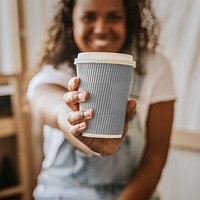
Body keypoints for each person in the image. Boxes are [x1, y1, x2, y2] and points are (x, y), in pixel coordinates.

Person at [26, 0, 176, 199]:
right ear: (71, 21)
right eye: (89, 17)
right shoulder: (55, 72)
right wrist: (74, 120)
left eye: (114, 17)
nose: (101, 29)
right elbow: (50, 105)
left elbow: (156, 156)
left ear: (128, 20)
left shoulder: (155, 67)